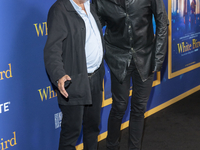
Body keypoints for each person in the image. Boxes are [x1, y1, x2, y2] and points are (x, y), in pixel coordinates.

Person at [92, 0, 168, 149]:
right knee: (119, 106)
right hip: (118, 58)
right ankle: (112, 146)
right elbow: (93, 26)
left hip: (146, 57)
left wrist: (157, 58)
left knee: (139, 108)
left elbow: (162, 23)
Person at [44, 0, 105, 149]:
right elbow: (52, 50)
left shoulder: (92, 6)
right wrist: (59, 75)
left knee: (93, 129)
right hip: (74, 81)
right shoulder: (59, 10)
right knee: (71, 134)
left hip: (96, 78)